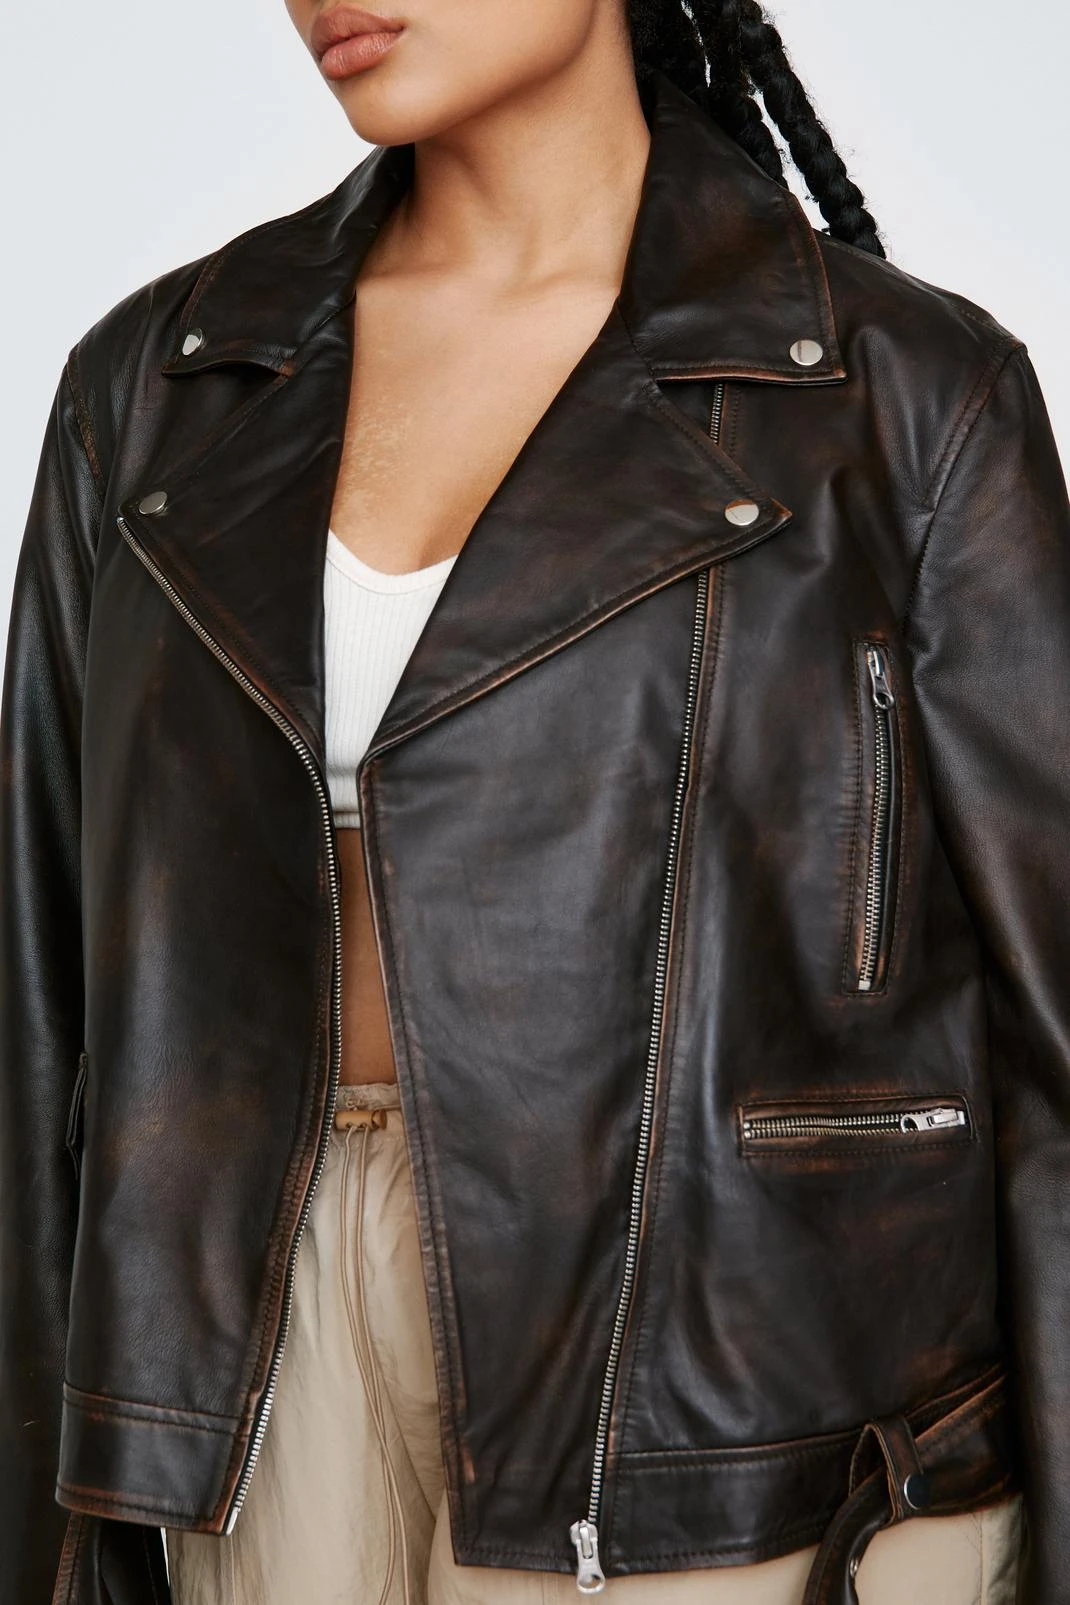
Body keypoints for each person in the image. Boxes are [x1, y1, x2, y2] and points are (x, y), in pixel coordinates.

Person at [2, 0, 1067, 1601]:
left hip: (722, 1371)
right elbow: (43, 1001)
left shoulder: (900, 393)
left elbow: (1052, 1034)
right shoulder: (161, 383)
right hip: (251, 1337)